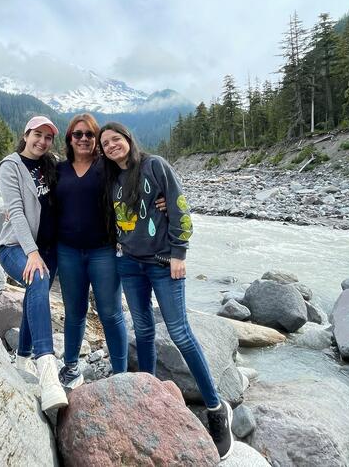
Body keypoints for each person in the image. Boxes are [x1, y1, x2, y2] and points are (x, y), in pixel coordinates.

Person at [98, 121, 234, 460]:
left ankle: (217, 408)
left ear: (128, 139)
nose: (112, 146)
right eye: (106, 143)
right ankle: (148, 395)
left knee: (180, 332)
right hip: (129, 263)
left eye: (116, 139)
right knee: (142, 329)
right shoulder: (111, 178)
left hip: (162, 263)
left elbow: (178, 205)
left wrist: (179, 253)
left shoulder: (154, 165)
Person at [0, 115, 68, 412]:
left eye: (48, 137)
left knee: (34, 296)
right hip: (15, 247)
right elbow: (16, 211)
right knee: (37, 281)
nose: (42, 141)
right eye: (37, 135)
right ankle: (48, 372)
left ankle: (22, 358)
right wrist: (32, 252)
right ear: (25, 135)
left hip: (49, 249)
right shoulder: (10, 166)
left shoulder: (52, 165)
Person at [55, 113, 128, 388]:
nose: (83, 139)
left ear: (96, 139)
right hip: (68, 251)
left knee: (111, 312)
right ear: (70, 139)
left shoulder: (107, 167)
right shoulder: (59, 170)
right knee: (74, 311)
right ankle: (71, 367)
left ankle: (120, 373)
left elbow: (136, 180)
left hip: (103, 251)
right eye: (78, 134)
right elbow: (39, 199)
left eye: (89, 134)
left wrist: (161, 201)